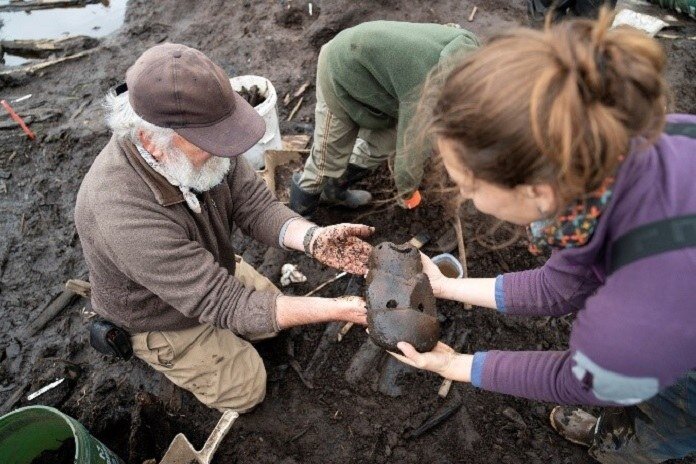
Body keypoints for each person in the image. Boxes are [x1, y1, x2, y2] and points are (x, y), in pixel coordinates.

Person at [390, 11, 696, 463]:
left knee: (663, 427)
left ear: (536, 190)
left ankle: (630, 444)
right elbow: (561, 285)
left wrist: (454, 364)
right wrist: (446, 287)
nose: (465, 198)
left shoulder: (635, 319)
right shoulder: (621, 141)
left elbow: (577, 382)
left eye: (470, 187)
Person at [75, 43, 373, 413]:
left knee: (269, 320)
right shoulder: (119, 212)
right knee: (248, 389)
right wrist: (339, 308)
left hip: (206, 270)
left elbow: (255, 203)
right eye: (211, 142)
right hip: (159, 314)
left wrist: (313, 239)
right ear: (153, 138)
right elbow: (224, 301)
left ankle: (233, 328)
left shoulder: (194, 151)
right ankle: (158, 351)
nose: (226, 152)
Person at [289, 20, 480, 215]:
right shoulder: (430, 90)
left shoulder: (471, 51)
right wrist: (407, 192)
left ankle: (334, 191)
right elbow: (411, 147)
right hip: (339, 68)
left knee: (383, 143)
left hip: (376, 79)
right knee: (328, 157)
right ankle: (300, 215)